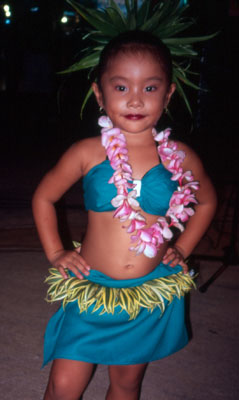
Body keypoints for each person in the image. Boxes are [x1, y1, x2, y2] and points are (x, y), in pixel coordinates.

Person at [32, 30, 217, 400]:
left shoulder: (180, 157)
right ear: (100, 93)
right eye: (121, 87)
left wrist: (183, 247)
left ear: (168, 94)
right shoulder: (87, 151)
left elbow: (208, 202)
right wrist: (55, 252)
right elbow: (43, 197)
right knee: (64, 385)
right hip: (92, 290)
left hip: (145, 297)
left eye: (150, 88)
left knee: (127, 383)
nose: (135, 99)